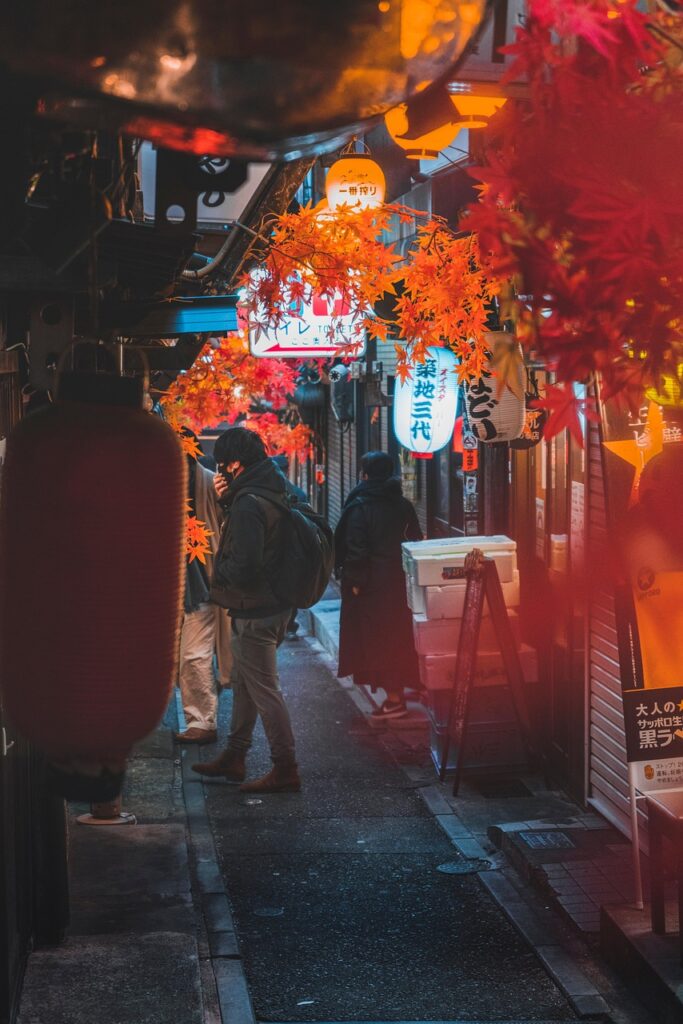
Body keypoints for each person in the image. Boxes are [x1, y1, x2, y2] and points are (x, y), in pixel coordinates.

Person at [191, 427, 300, 793]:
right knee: (244, 684)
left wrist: (220, 574)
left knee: (264, 689)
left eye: (222, 464)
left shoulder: (249, 502)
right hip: (273, 604)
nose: (219, 471)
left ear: (234, 463)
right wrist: (226, 503)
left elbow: (247, 560)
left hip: (256, 610)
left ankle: (285, 767)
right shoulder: (273, 486)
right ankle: (235, 755)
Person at [335, 451, 423, 719]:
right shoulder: (402, 504)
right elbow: (415, 539)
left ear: (364, 475)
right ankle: (404, 689)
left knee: (377, 643)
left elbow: (356, 549)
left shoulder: (360, 505)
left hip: (371, 590)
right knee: (399, 637)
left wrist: (355, 583)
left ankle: (395, 700)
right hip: (400, 586)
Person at [174, 450, 233, 744]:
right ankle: (200, 712)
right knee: (186, 657)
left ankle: (202, 721)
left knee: (193, 655)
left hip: (203, 583)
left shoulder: (211, 484)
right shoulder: (162, 484)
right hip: (172, 585)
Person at [271, 453, 306, 640]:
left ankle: (284, 625)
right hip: (295, 551)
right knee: (291, 590)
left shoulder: (264, 494)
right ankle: (288, 624)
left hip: (276, 551)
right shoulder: (298, 493)